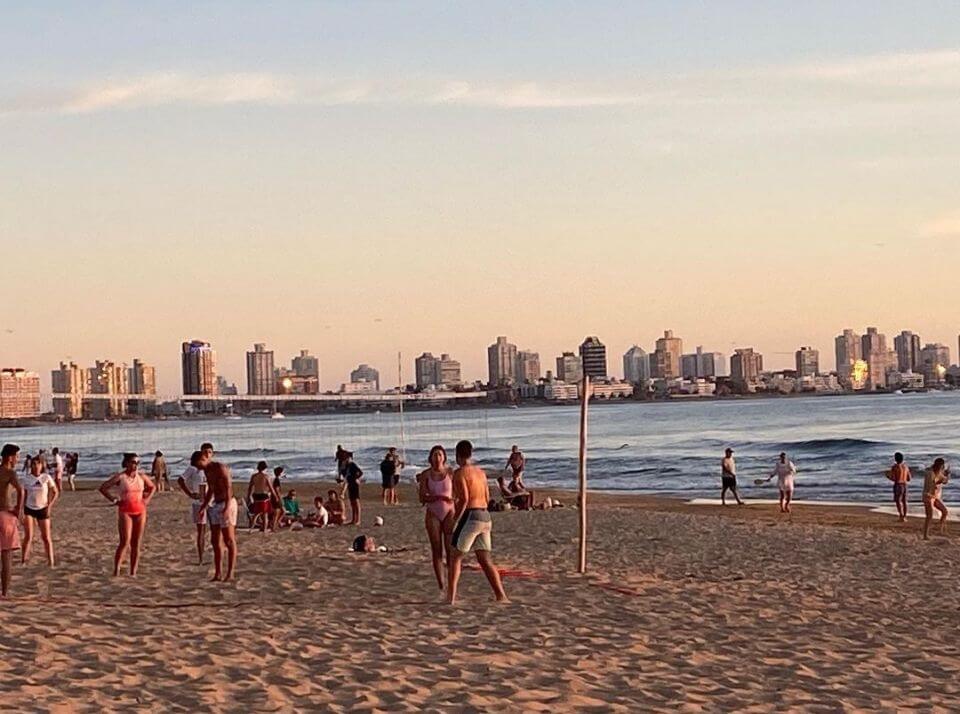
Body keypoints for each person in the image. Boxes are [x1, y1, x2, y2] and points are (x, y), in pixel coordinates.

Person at [447, 440, 507, 604]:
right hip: (485, 516)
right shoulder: (481, 473)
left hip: (471, 515)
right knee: (484, 559)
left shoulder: (460, 473)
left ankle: (450, 597)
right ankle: (501, 595)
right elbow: (487, 497)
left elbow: (464, 499)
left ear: (458, 455)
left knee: (455, 556)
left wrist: (455, 519)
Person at [98, 453, 156, 577]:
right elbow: (103, 488)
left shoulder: (141, 477)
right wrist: (114, 500)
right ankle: (116, 570)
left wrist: (147, 499)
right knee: (125, 541)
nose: (135, 466)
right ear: (127, 463)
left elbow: (152, 487)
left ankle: (133, 572)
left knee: (136, 543)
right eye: (133, 462)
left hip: (140, 511)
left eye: (137, 463)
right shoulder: (121, 477)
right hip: (126, 511)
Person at [418, 445, 455, 591]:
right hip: (433, 512)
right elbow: (422, 497)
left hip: (449, 512)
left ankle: (452, 584)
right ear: (430, 458)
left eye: (440, 455)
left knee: (451, 550)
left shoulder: (450, 472)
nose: (437, 458)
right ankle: (441, 584)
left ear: (444, 457)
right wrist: (437, 497)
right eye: (435, 455)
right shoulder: (426, 474)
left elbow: (457, 492)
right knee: (437, 550)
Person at [199, 461, 238, 582]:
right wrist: (204, 505)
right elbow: (211, 488)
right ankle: (218, 573)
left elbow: (228, 487)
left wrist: (227, 507)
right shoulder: (207, 470)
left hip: (227, 502)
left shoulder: (220, 468)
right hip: (216, 504)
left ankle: (230, 573)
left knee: (229, 539)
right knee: (215, 540)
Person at [20, 454, 59, 566]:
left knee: (46, 537)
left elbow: (55, 492)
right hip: (29, 509)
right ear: (31, 465)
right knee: (28, 536)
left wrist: (50, 505)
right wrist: (21, 510)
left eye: (38, 463)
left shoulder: (46, 477)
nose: (36, 466)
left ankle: (50, 562)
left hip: (43, 509)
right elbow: (23, 495)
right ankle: (24, 560)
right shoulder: (26, 479)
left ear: (42, 465)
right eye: (34, 464)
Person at [0, 444, 25, 597]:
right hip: (5, 514)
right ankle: (4, 592)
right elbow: (21, 491)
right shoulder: (10, 473)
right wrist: (18, 509)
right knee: (6, 556)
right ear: (10, 457)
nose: (18, 459)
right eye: (17, 456)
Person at [177, 450, 208, 564]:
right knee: (201, 531)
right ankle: (201, 558)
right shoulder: (192, 469)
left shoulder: (208, 469)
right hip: (199, 502)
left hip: (210, 501)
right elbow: (180, 480)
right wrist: (189, 493)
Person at [246, 461, 280, 532]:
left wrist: (248, 496)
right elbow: (271, 488)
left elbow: (250, 487)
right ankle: (264, 529)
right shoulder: (266, 476)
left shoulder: (254, 476)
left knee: (256, 513)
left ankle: (251, 529)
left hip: (256, 495)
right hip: (264, 496)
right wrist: (276, 496)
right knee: (265, 514)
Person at [922, 458, 950, 541]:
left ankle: (939, 528)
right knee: (929, 516)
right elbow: (933, 483)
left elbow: (944, 482)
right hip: (928, 496)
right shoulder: (930, 473)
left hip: (935, 496)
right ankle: (925, 535)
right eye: (942, 466)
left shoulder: (939, 473)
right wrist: (941, 479)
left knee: (944, 511)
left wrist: (947, 475)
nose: (943, 468)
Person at [887, 452, 912, 522]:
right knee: (904, 501)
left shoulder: (895, 467)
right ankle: (905, 516)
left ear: (895, 459)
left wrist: (888, 476)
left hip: (898, 485)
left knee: (898, 501)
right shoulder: (906, 467)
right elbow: (909, 478)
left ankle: (901, 516)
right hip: (905, 484)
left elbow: (894, 478)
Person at [344, 454, 363, 525]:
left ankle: (358, 520)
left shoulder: (353, 465)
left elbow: (360, 472)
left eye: (347, 458)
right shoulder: (347, 466)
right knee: (352, 503)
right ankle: (353, 519)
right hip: (350, 484)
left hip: (354, 485)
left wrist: (357, 479)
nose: (346, 460)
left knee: (356, 502)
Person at [271, 466, 286, 530]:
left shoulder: (276, 480)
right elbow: (277, 490)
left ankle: (275, 524)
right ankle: (274, 525)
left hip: (275, 497)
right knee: (278, 512)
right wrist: (280, 498)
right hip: (276, 498)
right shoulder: (276, 480)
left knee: (280, 512)